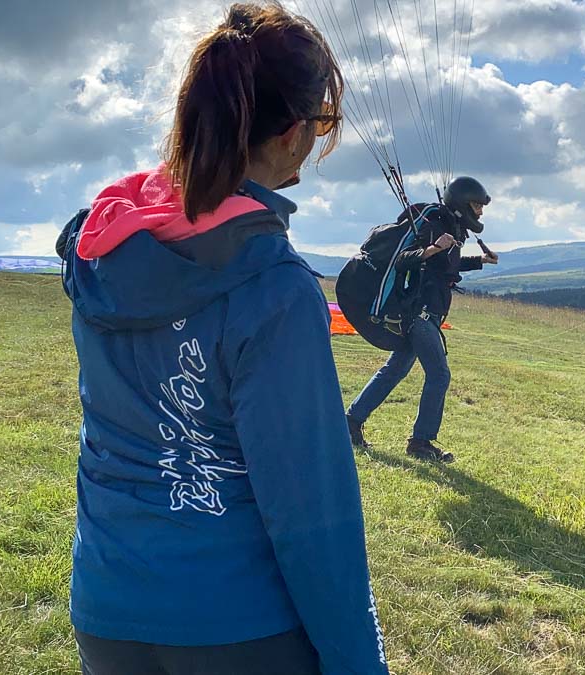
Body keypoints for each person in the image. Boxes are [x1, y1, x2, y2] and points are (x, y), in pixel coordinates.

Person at [55, 5, 388, 674]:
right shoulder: (276, 287)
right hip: (239, 628)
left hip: (106, 609)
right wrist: (358, 660)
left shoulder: (104, 245)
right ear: (292, 133)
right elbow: (310, 507)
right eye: (323, 123)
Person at [345, 177, 500, 462]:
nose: (480, 212)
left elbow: (446, 266)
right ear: (462, 204)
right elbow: (404, 259)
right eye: (477, 206)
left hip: (427, 312)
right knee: (439, 374)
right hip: (420, 313)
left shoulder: (452, 228)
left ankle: (351, 422)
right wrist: (433, 248)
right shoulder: (433, 226)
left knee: (394, 370)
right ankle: (420, 443)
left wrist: (480, 261)